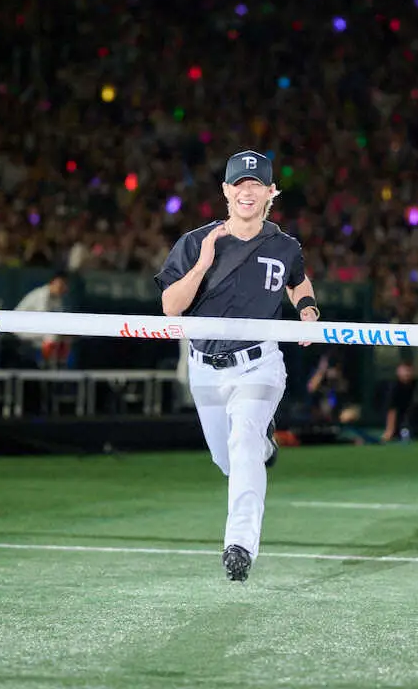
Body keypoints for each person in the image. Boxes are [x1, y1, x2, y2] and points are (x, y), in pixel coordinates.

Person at [154, 150, 318, 583]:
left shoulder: (284, 245)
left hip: (258, 364)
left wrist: (308, 310)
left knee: (242, 439)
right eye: (239, 184)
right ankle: (266, 447)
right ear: (226, 191)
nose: (247, 192)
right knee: (227, 458)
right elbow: (170, 308)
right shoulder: (194, 242)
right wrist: (204, 264)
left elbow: (297, 278)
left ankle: (239, 545)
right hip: (205, 367)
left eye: (256, 185)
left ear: (270, 193)